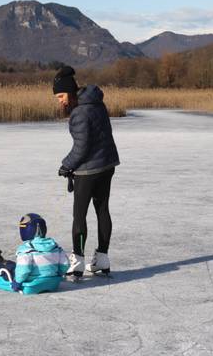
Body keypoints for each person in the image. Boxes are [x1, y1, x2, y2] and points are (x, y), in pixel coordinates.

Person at [53, 66, 120, 278]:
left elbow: (81, 146)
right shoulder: (97, 104)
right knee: (102, 210)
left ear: (71, 93)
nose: (60, 101)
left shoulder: (79, 112)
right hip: (107, 165)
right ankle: (102, 258)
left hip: (89, 170)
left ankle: (78, 261)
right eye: (57, 97)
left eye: (61, 95)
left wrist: (66, 165)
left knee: (79, 216)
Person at [0, 213, 69, 292]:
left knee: (6, 271)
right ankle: (0, 260)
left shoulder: (27, 249)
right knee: (15, 266)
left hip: (30, 281)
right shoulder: (55, 246)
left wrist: (18, 282)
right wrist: (57, 274)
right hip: (52, 281)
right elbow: (65, 264)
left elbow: (23, 270)